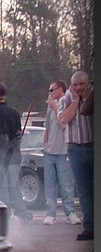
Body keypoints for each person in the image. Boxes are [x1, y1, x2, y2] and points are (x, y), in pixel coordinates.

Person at [0, 83, 33, 222]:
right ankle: (22, 213)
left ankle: (6, 216)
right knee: (14, 186)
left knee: (1, 188)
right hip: (13, 156)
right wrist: (17, 153)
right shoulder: (14, 112)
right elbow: (18, 136)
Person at [58, 71, 93, 241]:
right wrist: (75, 101)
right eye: (76, 85)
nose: (79, 87)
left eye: (82, 84)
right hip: (75, 149)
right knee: (84, 191)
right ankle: (90, 227)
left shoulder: (93, 96)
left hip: (93, 146)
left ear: (88, 84)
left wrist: (87, 99)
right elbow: (63, 119)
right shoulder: (66, 99)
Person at [42, 80, 80, 225]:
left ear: (60, 89)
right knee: (50, 185)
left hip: (63, 152)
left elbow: (64, 124)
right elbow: (47, 128)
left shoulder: (66, 103)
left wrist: (55, 107)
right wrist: (45, 144)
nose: (50, 93)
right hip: (49, 152)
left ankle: (70, 212)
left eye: (52, 90)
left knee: (66, 185)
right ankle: (50, 214)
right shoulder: (49, 108)